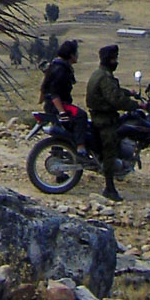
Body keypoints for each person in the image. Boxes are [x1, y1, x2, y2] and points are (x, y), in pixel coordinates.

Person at [86, 43, 138, 200]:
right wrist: (136, 105)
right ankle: (109, 188)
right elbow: (115, 100)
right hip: (104, 120)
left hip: (103, 116)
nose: (116, 62)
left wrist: (130, 93)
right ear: (109, 60)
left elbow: (113, 92)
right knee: (110, 150)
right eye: (115, 59)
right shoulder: (104, 77)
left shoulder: (101, 74)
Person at [40, 39, 92, 153]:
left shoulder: (57, 65)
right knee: (81, 116)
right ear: (71, 55)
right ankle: (80, 148)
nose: (77, 56)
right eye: (76, 53)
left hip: (52, 105)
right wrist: (62, 111)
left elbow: (44, 86)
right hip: (58, 105)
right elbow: (54, 92)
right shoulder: (61, 69)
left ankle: (58, 150)